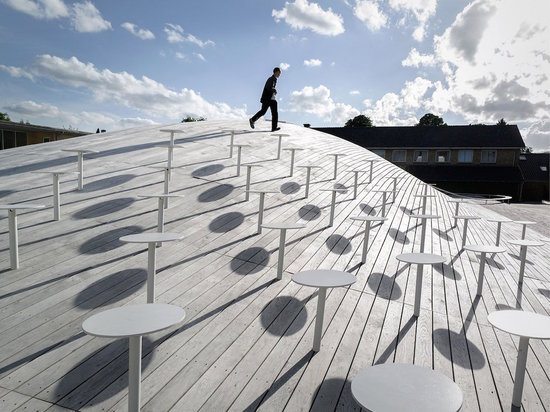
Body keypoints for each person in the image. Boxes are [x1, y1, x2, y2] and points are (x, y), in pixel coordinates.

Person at [249, 67, 281, 132]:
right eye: (279, 73)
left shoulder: (274, 79)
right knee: (263, 111)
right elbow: (268, 87)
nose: (279, 74)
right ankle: (252, 120)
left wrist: (273, 91)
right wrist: (274, 90)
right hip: (267, 99)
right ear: (275, 72)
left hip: (271, 99)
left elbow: (271, 88)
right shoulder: (271, 79)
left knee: (275, 113)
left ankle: (274, 127)